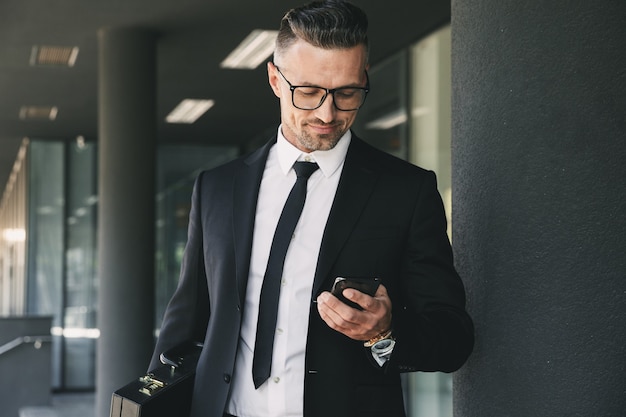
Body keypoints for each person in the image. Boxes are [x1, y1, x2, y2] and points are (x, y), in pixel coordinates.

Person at [149, 1, 474, 416]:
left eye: (347, 93)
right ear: (274, 80)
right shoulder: (216, 188)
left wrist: (385, 332)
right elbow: (183, 326)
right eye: (308, 92)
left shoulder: (406, 191)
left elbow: (452, 338)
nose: (327, 112)